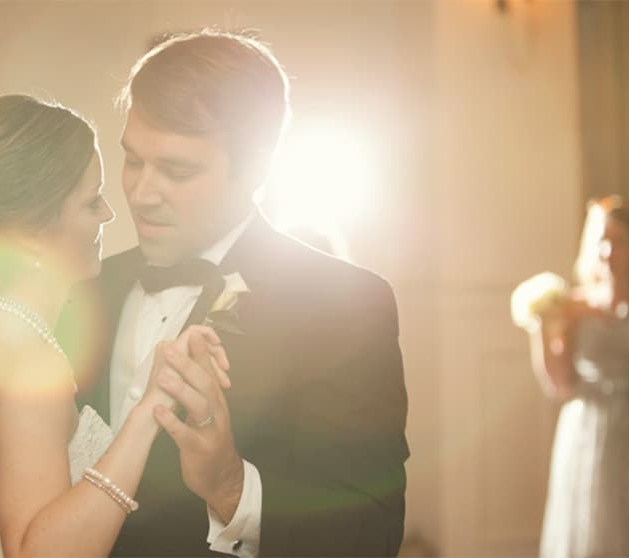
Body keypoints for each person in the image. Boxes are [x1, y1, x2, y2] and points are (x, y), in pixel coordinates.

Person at [58, 29, 409, 557]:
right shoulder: (85, 290)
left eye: (177, 170)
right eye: (133, 160)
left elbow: (370, 534)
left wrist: (229, 485)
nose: (141, 193)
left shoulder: (345, 306)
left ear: (256, 168)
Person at [0, 94, 230, 557]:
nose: (109, 215)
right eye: (91, 201)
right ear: (32, 228)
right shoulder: (31, 362)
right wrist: (149, 410)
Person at [526, 196, 629, 557]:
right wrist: (540, 330)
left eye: (619, 240)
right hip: (587, 430)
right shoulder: (574, 307)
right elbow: (560, 383)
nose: (608, 250)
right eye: (601, 239)